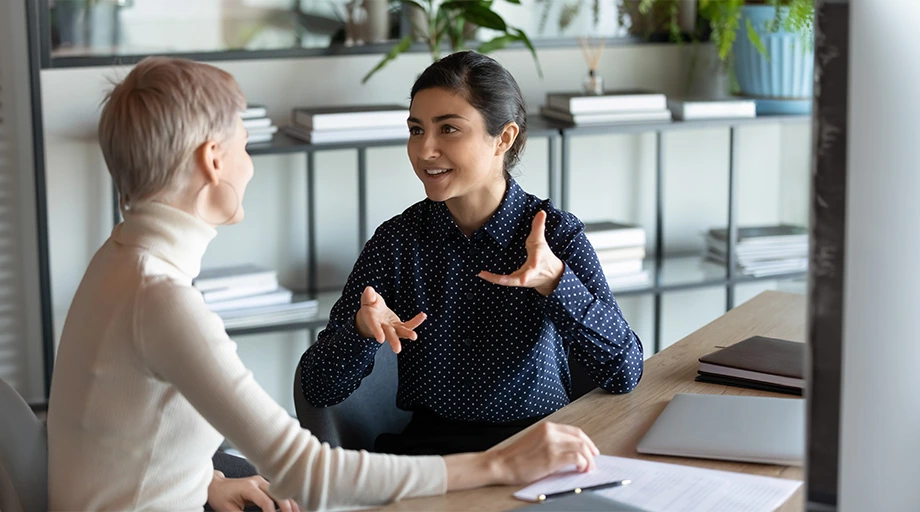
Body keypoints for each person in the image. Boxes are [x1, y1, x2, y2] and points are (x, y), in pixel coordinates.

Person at [46, 56, 601, 512]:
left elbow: (128, 438)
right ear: (214, 161)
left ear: (503, 139)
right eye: (243, 143)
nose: (251, 163)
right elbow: (306, 467)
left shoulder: (118, 261)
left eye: (448, 129)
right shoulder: (163, 300)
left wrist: (205, 485)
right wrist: (500, 463)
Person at [300, 51, 644, 456]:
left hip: (541, 447)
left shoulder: (557, 236)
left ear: (504, 138)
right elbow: (317, 388)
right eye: (416, 130)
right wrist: (360, 331)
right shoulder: (396, 242)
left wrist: (556, 282)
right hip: (433, 459)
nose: (425, 149)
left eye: (448, 129)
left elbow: (625, 372)